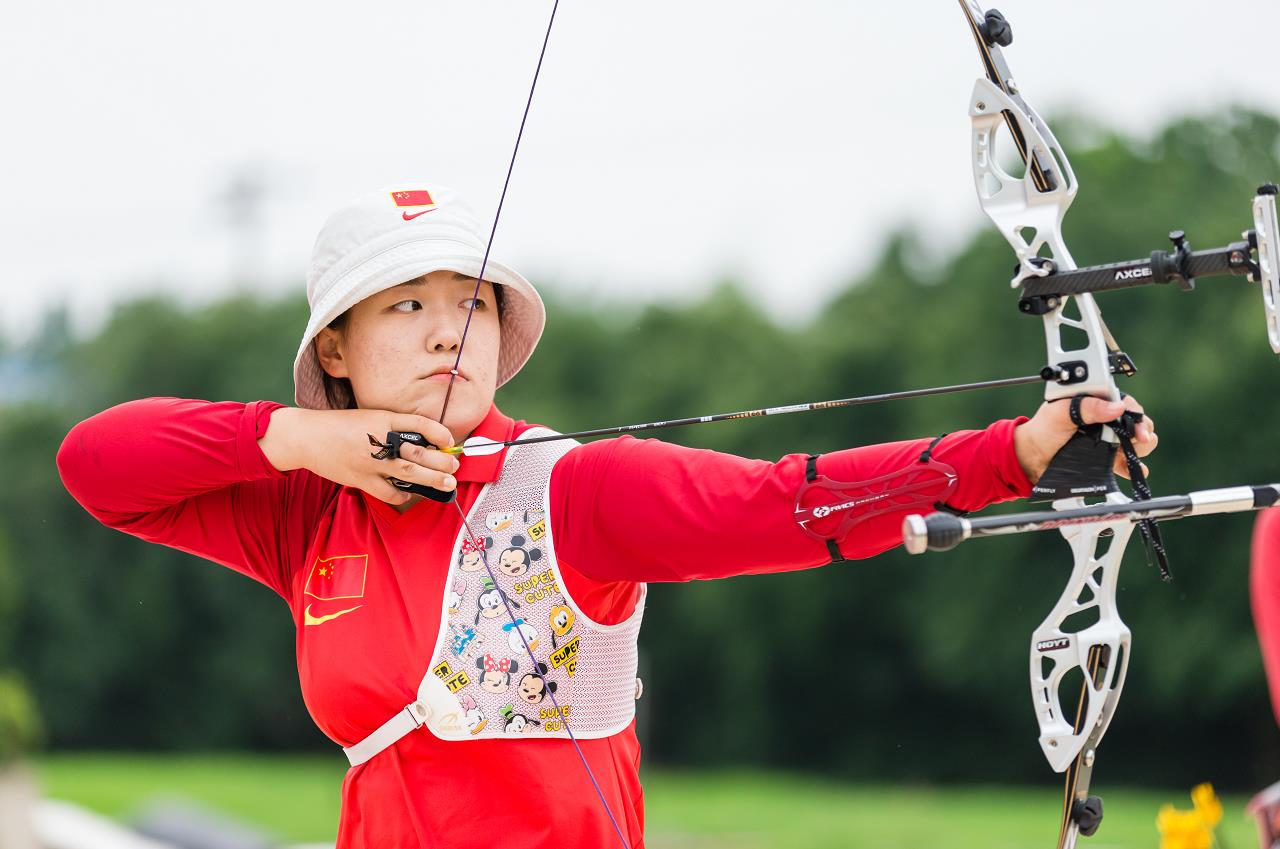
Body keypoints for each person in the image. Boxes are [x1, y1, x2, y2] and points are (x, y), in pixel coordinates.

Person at [55, 182, 1158, 849]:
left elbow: (787, 502)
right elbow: (96, 464)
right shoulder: (306, 516)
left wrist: (1012, 453)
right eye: (408, 305)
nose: (450, 333)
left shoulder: (568, 491)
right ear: (333, 349)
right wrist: (298, 439)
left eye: (471, 302)